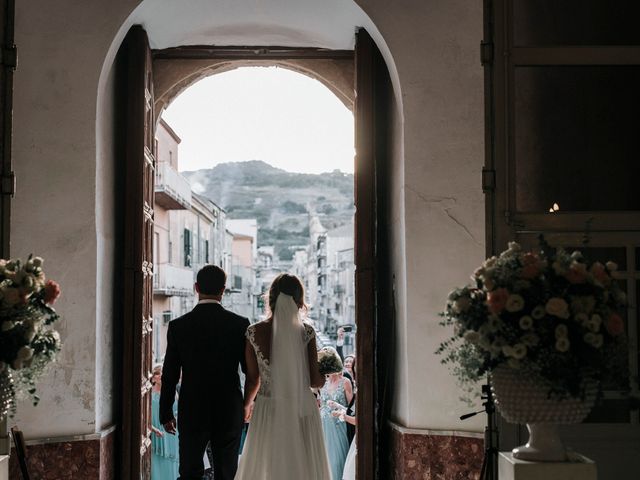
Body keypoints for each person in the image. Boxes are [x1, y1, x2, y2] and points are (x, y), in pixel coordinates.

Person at [235, 273, 332, 480]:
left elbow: (253, 379)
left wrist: (246, 405)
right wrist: (325, 371)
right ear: (299, 300)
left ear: (271, 299)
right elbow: (315, 381)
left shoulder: (254, 332)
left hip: (268, 407)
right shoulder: (307, 332)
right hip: (302, 407)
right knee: (304, 466)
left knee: (266, 465)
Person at [160, 265, 250, 480]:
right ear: (223, 290)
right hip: (228, 409)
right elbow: (249, 371)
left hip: (193, 409)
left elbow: (169, 374)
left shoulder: (178, 326)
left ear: (196, 288)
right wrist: (247, 405)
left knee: (190, 471)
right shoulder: (239, 324)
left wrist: (165, 413)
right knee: (226, 472)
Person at [320, 368, 353, 480]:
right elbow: (321, 405)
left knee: (337, 461)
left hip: (338, 426)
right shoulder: (322, 383)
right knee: (324, 460)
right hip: (323, 426)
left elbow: (352, 409)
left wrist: (338, 406)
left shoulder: (345, 382)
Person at [151, 364, 179, 480]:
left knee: (172, 465)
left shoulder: (173, 393)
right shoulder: (149, 395)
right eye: (162, 373)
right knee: (157, 466)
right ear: (155, 378)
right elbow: (145, 418)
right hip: (156, 434)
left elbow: (177, 412)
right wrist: (153, 429)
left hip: (172, 435)